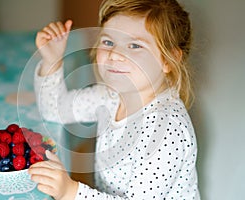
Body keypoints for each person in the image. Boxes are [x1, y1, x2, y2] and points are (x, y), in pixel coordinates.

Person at [28, 0, 200, 199]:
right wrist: (52, 60)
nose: (114, 55)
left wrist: (70, 192)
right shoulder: (110, 96)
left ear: (168, 60)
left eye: (134, 45)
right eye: (108, 42)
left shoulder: (166, 129)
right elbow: (55, 110)